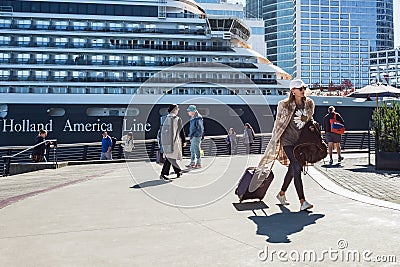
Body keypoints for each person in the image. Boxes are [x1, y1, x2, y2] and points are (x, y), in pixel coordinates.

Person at [258, 79, 315, 211]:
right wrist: (274, 140)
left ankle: (281, 193)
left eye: (304, 88)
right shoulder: (284, 105)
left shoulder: (309, 104)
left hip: (300, 143)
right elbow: (278, 123)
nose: (303, 91)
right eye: (300, 88)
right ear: (293, 91)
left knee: (292, 169)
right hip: (287, 142)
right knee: (297, 167)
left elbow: (310, 120)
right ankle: (302, 201)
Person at [160, 104, 187, 181]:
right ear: (174, 110)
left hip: (166, 141)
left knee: (171, 156)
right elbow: (181, 131)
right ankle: (164, 173)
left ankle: (178, 171)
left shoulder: (165, 118)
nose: (178, 110)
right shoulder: (177, 119)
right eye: (177, 109)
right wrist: (184, 140)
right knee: (170, 157)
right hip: (174, 141)